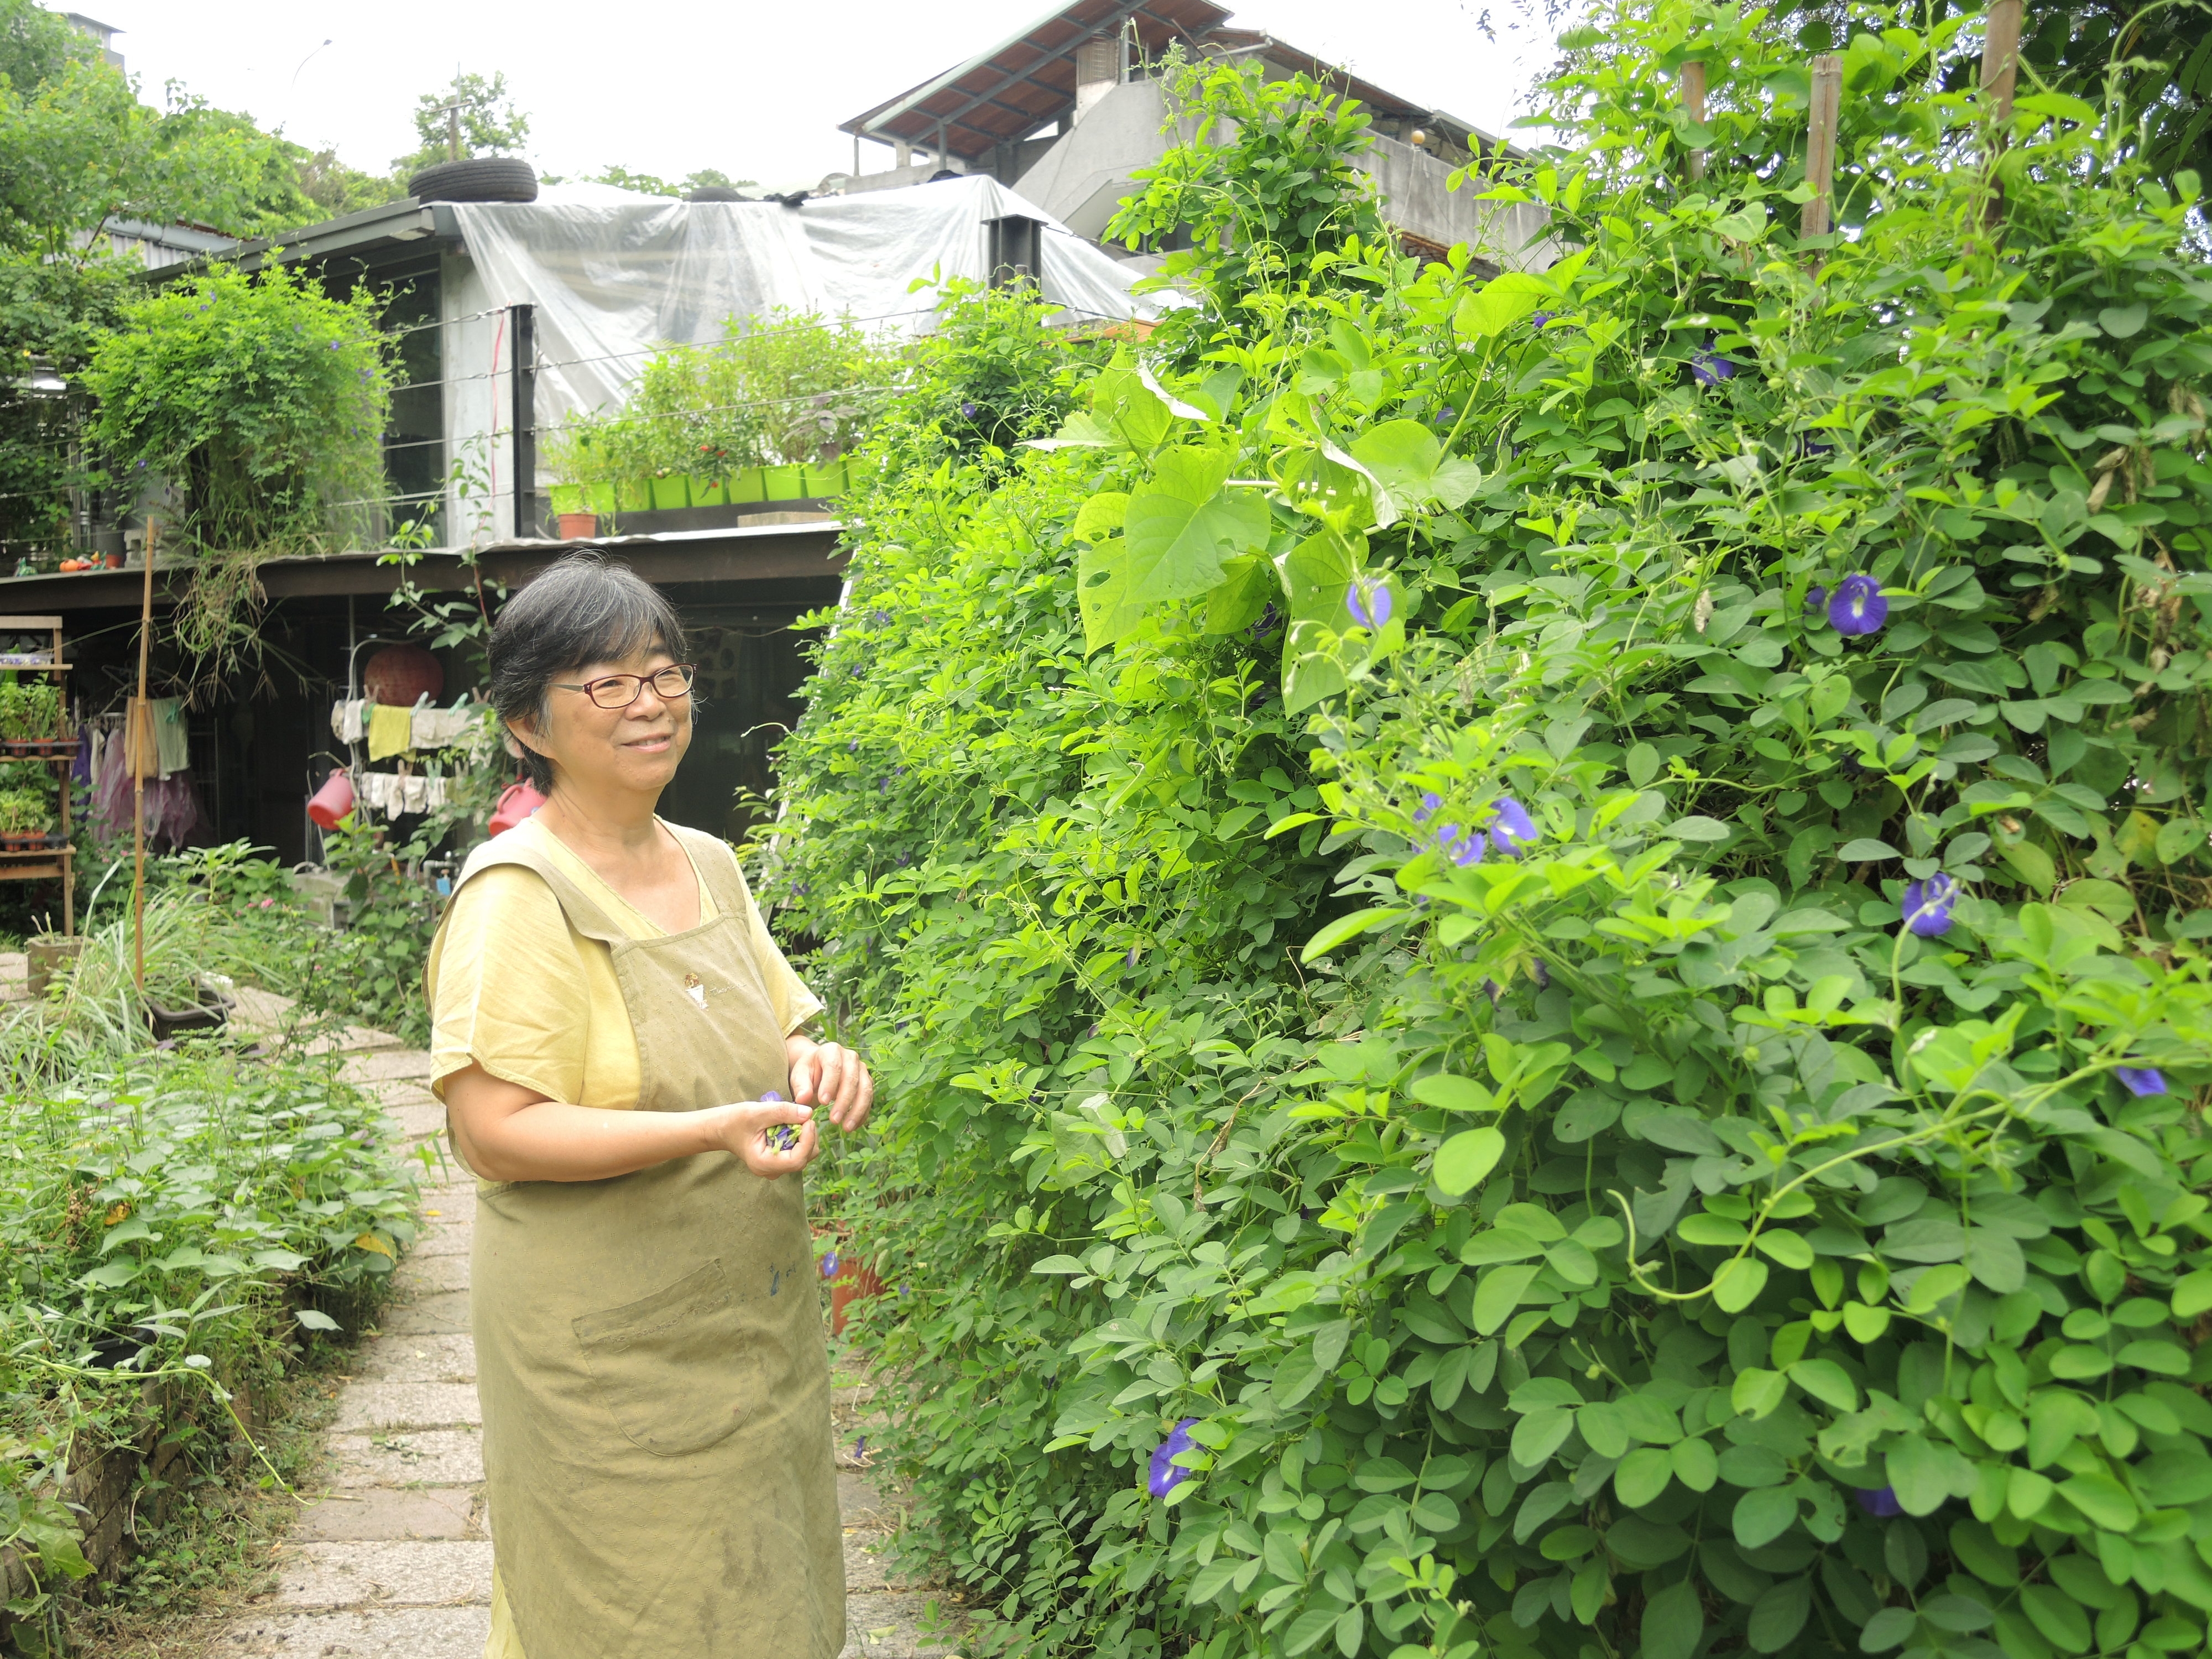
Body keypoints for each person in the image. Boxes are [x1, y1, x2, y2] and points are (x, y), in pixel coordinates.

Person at [426, 552, 871, 1659]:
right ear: (525, 722)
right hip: (602, 1353)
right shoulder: (519, 895)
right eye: (607, 682)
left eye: (666, 674)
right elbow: (494, 1131)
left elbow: (779, 1032)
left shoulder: (710, 864)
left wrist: (818, 1064)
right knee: (624, 1613)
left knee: (765, 1602)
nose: (650, 704)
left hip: (746, 1325)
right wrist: (713, 1130)